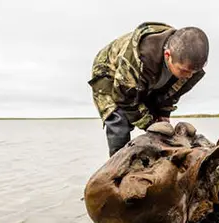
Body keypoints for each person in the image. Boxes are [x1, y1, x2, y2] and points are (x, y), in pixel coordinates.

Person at [89, 22, 209, 156]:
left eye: (192, 72)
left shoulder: (189, 67)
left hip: (147, 78)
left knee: (159, 121)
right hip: (109, 72)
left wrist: (163, 115)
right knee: (119, 120)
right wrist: (149, 124)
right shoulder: (140, 58)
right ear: (168, 55)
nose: (188, 76)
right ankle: (119, 164)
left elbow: (170, 94)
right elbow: (124, 99)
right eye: (184, 71)